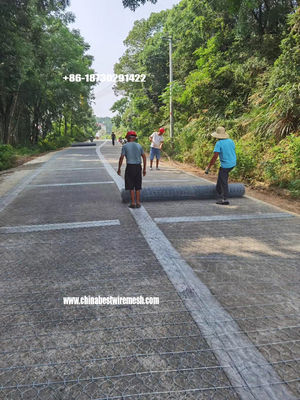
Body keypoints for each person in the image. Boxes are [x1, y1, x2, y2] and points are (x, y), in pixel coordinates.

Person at [205, 126, 236, 205]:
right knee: (221, 176)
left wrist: (208, 167)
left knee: (223, 181)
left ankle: (225, 199)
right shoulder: (231, 141)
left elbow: (215, 156)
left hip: (226, 165)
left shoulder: (219, 143)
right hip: (233, 163)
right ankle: (218, 192)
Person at [117, 131, 146, 208]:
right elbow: (144, 157)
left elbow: (121, 158)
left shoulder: (125, 146)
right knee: (137, 185)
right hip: (138, 167)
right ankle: (138, 202)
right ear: (134, 138)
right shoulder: (139, 146)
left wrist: (119, 168)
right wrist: (144, 169)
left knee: (131, 185)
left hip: (130, 167)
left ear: (128, 138)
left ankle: (133, 203)